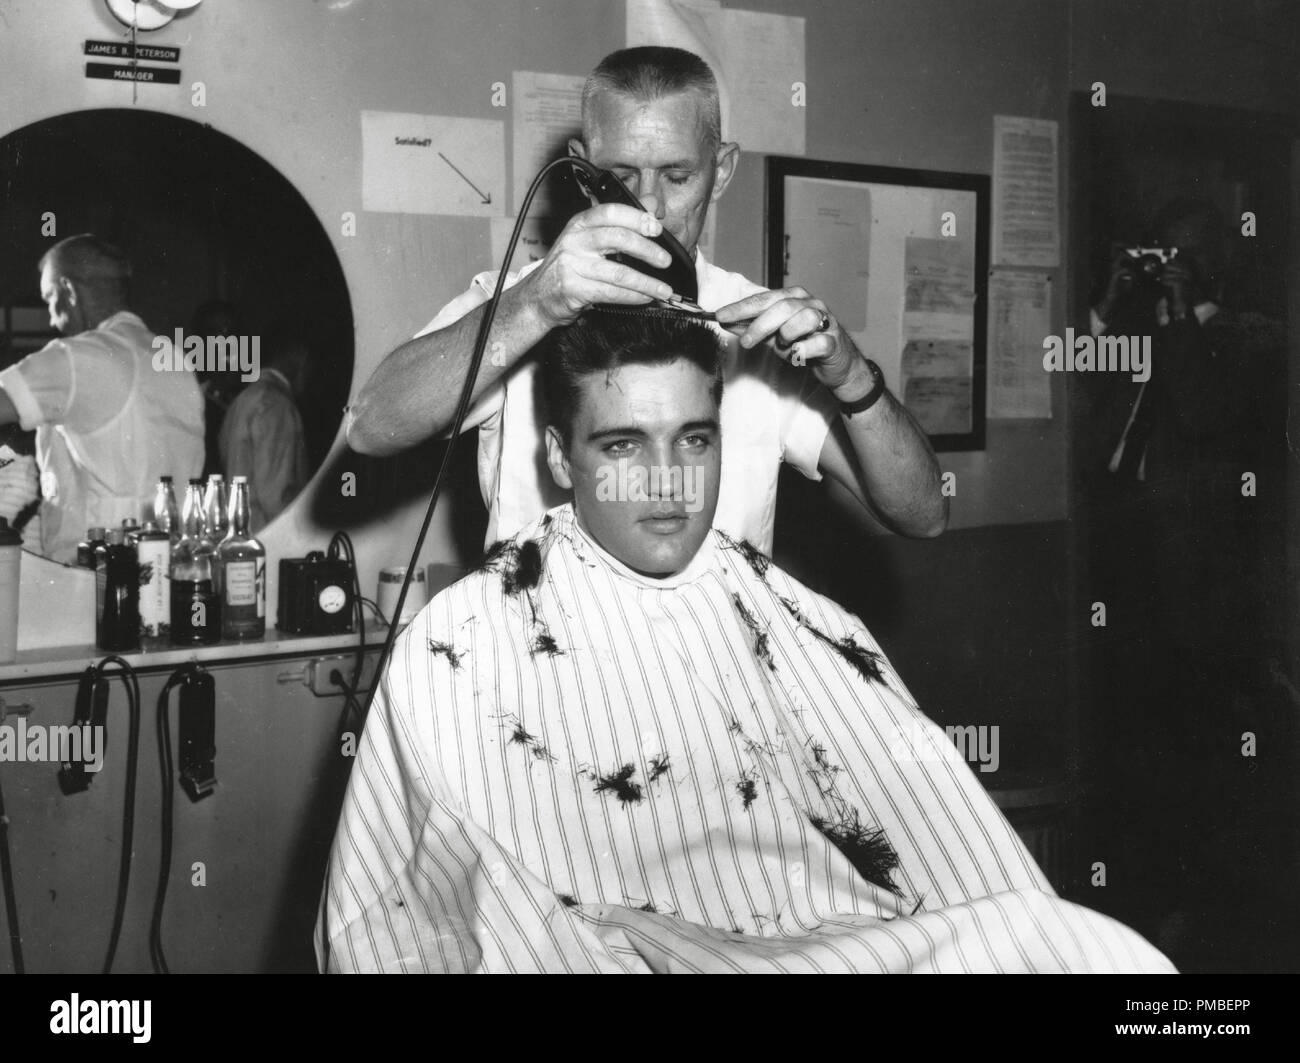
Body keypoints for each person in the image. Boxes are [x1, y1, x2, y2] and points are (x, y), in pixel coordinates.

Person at [317, 312, 1173, 973]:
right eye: (622, 445)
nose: (667, 483)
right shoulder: (462, 641)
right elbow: (385, 919)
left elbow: (953, 860)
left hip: (825, 944)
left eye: (694, 439)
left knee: (1105, 959)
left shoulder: (798, 619)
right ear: (558, 456)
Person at [345, 46, 946, 554]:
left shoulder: (760, 325)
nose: (650, 209)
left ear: (722, 170)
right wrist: (534, 306)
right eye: (622, 178)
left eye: (678, 176)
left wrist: (853, 379)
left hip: (710, 674)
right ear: (582, 172)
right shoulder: (514, 303)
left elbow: (923, 515)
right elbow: (370, 428)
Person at [1081, 199, 1291, 962]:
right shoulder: (1147, 324)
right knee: (1124, 728)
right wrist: (1106, 302)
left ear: (1216, 264)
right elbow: (1074, 376)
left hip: (1199, 581)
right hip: (1122, 550)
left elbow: (1204, 413)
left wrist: (1176, 314)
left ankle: (1193, 904)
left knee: (1190, 749)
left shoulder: (1253, 339)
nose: (1163, 261)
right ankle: (1130, 890)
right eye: (1156, 249)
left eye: (1180, 252)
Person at [0, 235, 204, 563]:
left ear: (69, 291)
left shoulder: (78, 357)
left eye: (50, 299)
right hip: (171, 566)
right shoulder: (174, 359)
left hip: (93, 578)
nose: (52, 319)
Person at [218, 326, 311, 532]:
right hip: (268, 540)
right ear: (299, 357)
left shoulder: (242, 400)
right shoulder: (276, 404)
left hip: (240, 534)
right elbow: (276, 495)